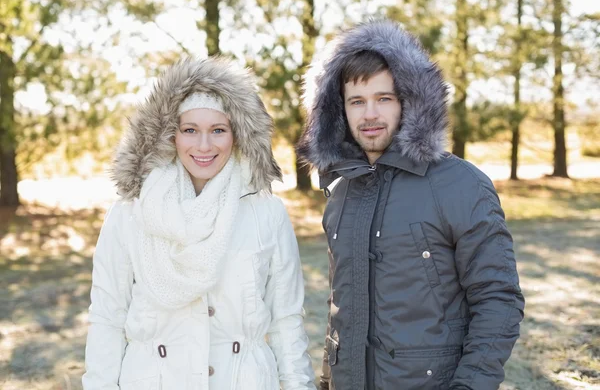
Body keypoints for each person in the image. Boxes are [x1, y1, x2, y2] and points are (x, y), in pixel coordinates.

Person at [297, 20, 525, 390]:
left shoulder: (460, 184)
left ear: (411, 100)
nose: (369, 114)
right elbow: (341, 307)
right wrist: (328, 381)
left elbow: (498, 300)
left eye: (383, 99)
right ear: (339, 111)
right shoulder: (341, 192)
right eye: (357, 101)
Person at [82, 57, 316, 390]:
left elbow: (286, 322)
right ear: (169, 135)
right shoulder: (129, 215)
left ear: (237, 135)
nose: (204, 146)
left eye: (218, 130)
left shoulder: (267, 214)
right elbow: (107, 319)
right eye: (190, 130)